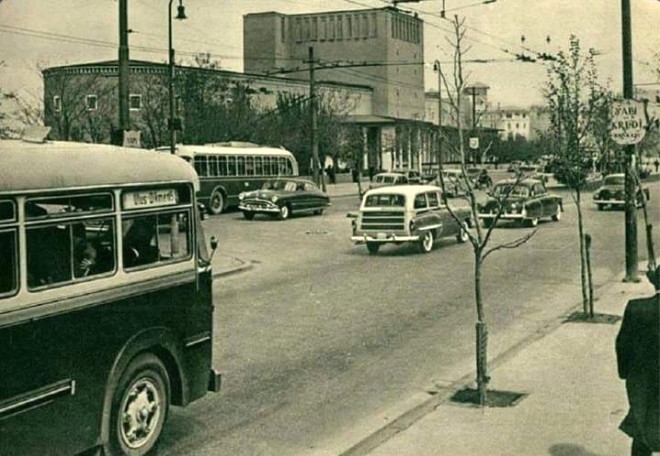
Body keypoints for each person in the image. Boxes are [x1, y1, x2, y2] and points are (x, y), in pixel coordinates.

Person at [616, 265, 660, 456]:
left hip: (642, 382)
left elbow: (622, 344)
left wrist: (625, 373)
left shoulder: (636, 308)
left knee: (641, 429)